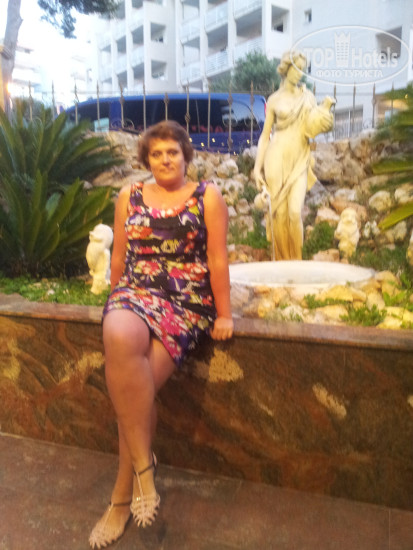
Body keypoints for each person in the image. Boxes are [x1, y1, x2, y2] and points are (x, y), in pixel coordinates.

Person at [89, 120, 233, 548]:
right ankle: (144, 470)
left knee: (134, 396)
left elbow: (218, 259)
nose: (165, 160)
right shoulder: (129, 196)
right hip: (136, 290)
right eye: (156, 154)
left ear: (186, 156)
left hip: (185, 299)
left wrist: (224, 314)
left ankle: (122, 496)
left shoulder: (207, 196)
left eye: (173, 152)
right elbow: (119, 255)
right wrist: (115, 298)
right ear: (146, 159)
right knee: (118, 333)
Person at [254, 50, 335, 260]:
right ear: (286, 68)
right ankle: (282, 262)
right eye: (296, 68)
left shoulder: (308, 97)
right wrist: (257, 168)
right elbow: (265, 136)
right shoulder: (274, 100)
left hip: (300, 158)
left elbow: (314, 125)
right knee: (279, 215)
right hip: (276, 158)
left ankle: (297, 261)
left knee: (294, 212)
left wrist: (325, 115)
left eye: (303, 69)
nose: (300, 73)